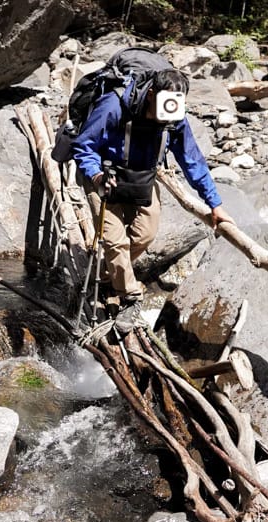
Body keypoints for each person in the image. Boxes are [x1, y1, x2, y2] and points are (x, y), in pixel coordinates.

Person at [72, 67, 234, 332]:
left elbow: (192, 161)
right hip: (104, 174)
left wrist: (215, 204)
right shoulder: (114, 105)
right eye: (165, 102)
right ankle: (131, 297)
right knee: (114, 240)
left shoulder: (175, 117)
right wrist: (97, 175)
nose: (169, 111)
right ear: (151, 94)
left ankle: (105, 275)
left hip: (142, 179)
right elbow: (84, 145)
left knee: (145, 235)